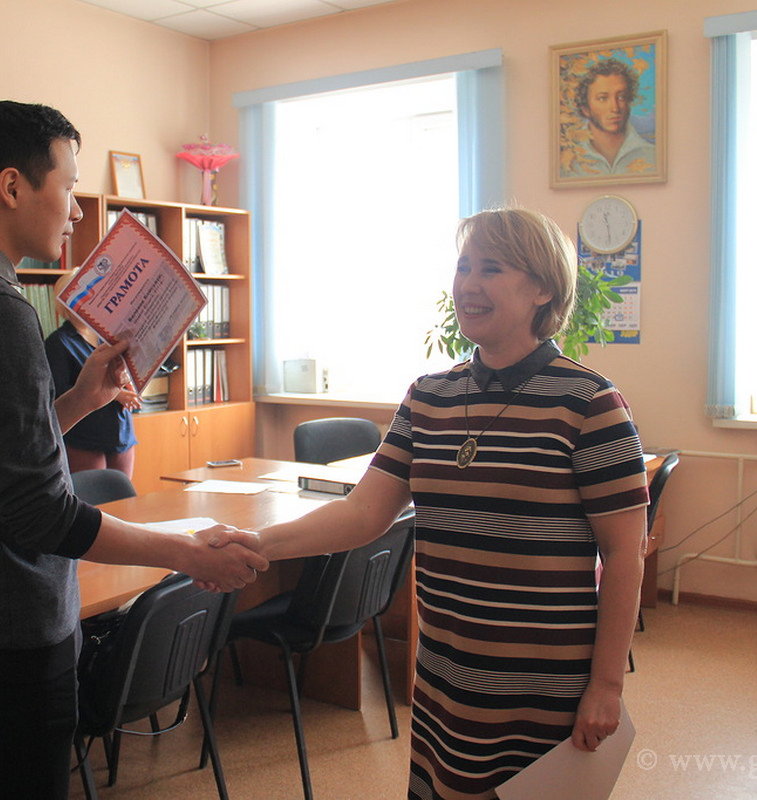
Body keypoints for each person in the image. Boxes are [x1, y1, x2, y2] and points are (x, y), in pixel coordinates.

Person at [0, 100, 266, 800]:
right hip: (13, 621)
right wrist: (185, 554)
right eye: (67, 186)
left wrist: (81, 401)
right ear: (12, 186)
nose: (74, 212)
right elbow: (40, 513)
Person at [218, 207, 649, 796]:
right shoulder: (428, 397)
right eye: (464, 267)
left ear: (543, 289)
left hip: (542, 683)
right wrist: (257, 544)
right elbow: (363, 512)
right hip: (445, 675)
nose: (469, 284)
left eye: (491, 269)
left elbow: (625, 555)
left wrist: (606, 686)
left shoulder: (590, 403)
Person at [44, 273, 140, 476]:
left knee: (123, 493)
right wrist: (117, 395)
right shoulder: (58, 342)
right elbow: (59, 394)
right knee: (93, 493)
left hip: (120, 431)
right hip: (85, 437)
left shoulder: (108, 335)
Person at [568, 57, 657, 177]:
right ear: (585, 108)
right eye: (603, 98)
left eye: (621, 97)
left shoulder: (652, 155)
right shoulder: (569, 160)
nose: (615, 108)